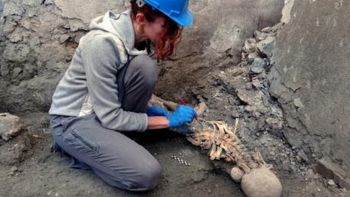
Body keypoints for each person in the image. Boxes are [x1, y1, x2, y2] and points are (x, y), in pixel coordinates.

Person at [49, 0, 196, 192]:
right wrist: (167, 121)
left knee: (145, 67)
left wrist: (147, 111)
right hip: (74, 121)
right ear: (141, 18)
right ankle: (77, 150)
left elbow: (121, 87)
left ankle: (114, 143)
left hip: (103, 112)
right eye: (166, 25)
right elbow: (111, 117)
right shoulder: (101, 44)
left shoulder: (139, 40)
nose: (171, 32)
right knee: (146, 174)